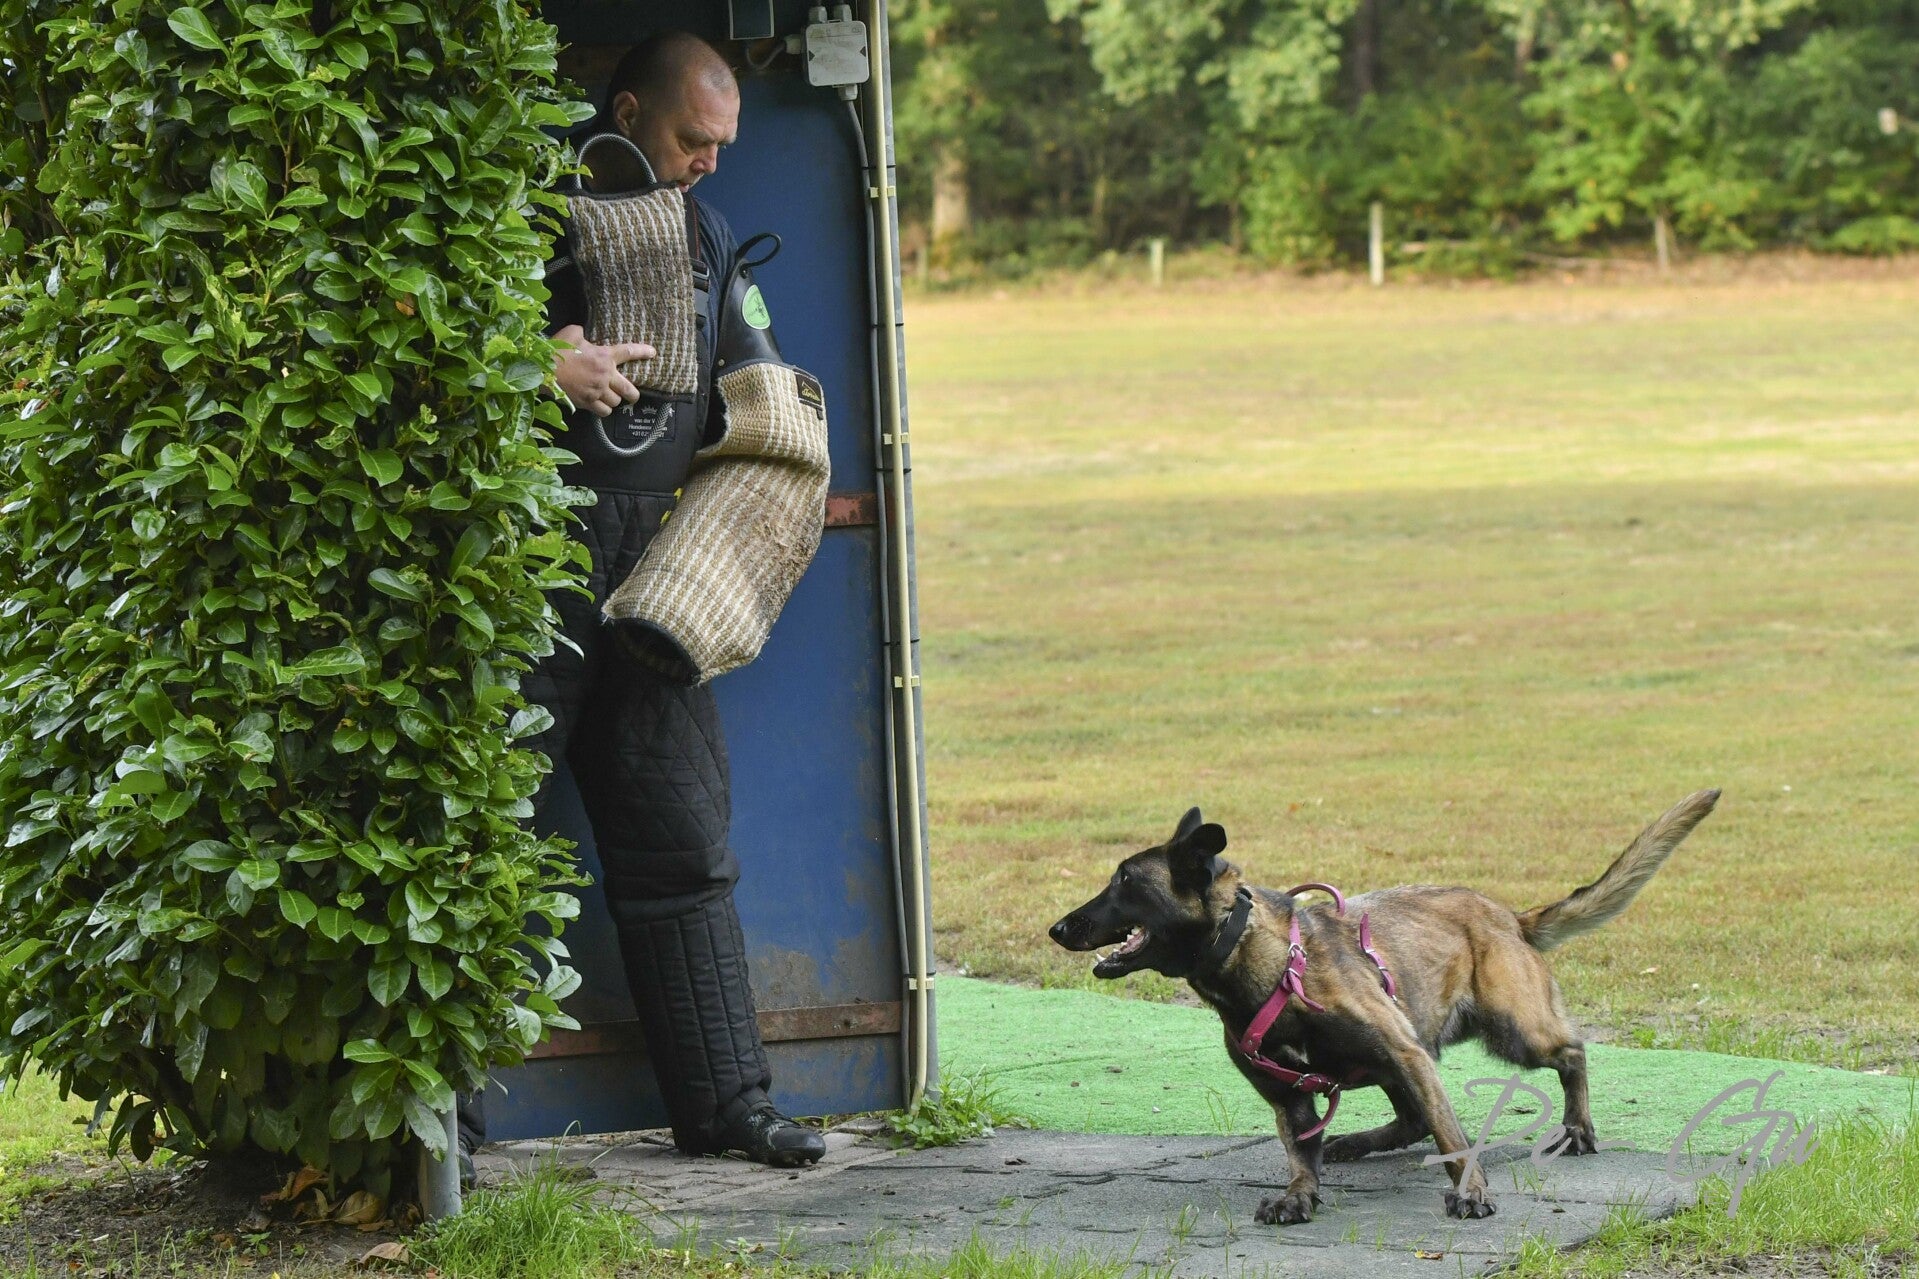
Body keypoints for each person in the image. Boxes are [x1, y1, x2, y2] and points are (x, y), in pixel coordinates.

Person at [457, 31, 827, 1175]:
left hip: (653, 582)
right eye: (689, 138)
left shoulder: (705, 234)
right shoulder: (514, 210)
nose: (708, 161)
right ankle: (440, 1139)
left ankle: (729, 1109)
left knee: (683, 844)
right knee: (473, 843)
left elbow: (759, 387)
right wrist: (535, 364)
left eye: (721, 144)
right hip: (521, 567)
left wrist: (772, 467)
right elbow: (417, 345)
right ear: (624, 111)